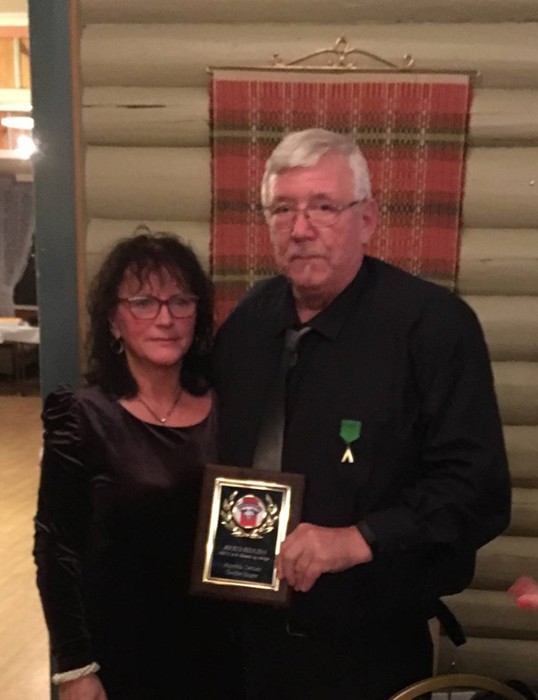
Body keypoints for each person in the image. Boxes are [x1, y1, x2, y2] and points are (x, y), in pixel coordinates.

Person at [214, 128, 512, 700]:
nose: (301, 228)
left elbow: (477, 490)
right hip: (247, 642)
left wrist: (359, 539)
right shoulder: (248, 322)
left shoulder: (433, 327)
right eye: (283, 209)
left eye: (324, 207)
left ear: (367, 219)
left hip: (370, 649)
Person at [33, 230, 227, 699]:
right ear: (114, 322)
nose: (165, 318)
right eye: (143, 302)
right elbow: (56, 549)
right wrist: (75, 667)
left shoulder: (229, 406)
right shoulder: (81, 416)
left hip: (220, 650)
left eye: (180, 301)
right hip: (120, 654)